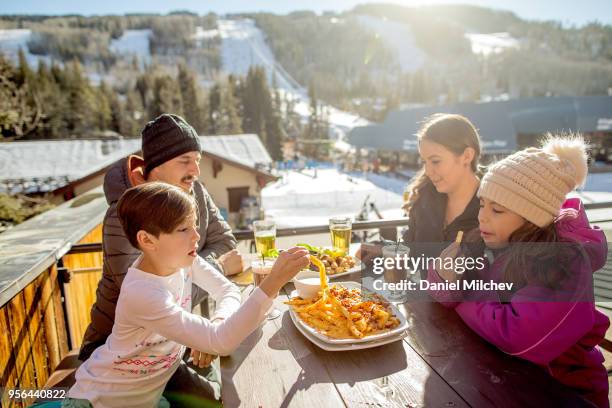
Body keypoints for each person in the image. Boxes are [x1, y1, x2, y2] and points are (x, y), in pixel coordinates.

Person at [47, 182, 309, 407]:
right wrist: (272, 283)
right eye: (184, 230)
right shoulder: (144, 293)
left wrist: (216, 323)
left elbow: (227, 290)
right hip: (99, 400)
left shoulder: (183, 259)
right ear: (147, 240)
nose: (196, 236)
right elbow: (222, 342)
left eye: (194, 226)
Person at [429, 135, 609, 407]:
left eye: (497, 209)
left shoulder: (567, 263)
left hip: (564, 390)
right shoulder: (492, 241)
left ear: (533, 218)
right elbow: (446, 292)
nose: (482, 216)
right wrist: (445, 277)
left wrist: (462, 294)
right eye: (482, 204)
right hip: (501, 377)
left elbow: (518, 336)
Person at [79, 114, 242, 403]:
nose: (195, 170)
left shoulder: (195, 193)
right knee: (214, 398)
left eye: (197, 159)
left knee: (230, 372)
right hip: (120, 355)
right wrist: (216, 267)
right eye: (184, 160)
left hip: (172, 339)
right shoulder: (125, 215)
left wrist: (204, 325)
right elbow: (156, 287)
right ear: (154, 167)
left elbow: (225, 240)